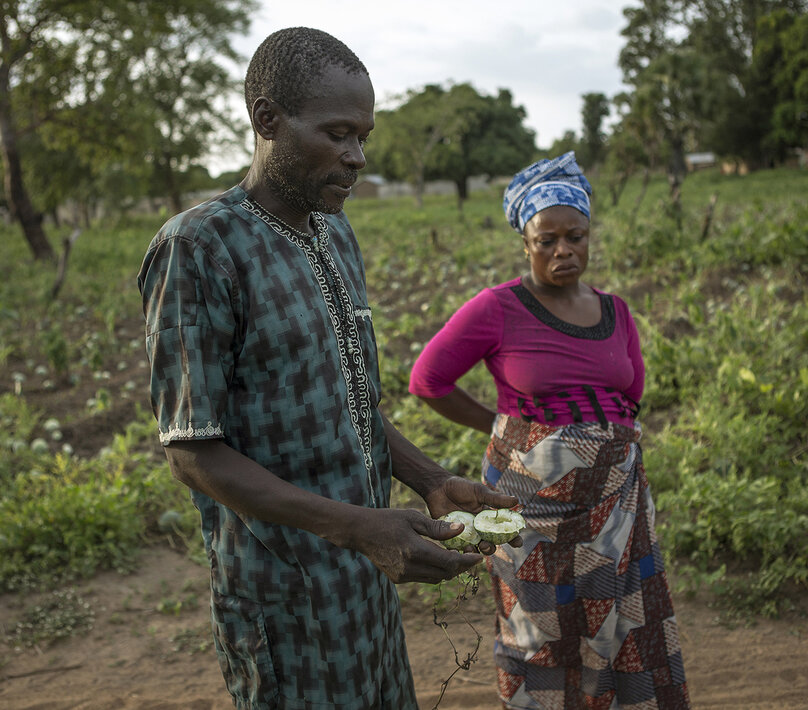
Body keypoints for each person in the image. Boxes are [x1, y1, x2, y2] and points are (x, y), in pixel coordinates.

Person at [137, 27, 518, 710]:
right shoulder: (199, 247)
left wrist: (430, 480)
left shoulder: (334, 231)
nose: (356, 157)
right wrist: (357, 526)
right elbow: (195, 454)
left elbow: (351, 399)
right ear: (266, 120)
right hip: (284, 594)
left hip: (367, 580)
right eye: (338, 133)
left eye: (363, 136)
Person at [409, 152, 691, 709]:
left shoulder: (617, 311)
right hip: (530, 510)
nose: (564, 250)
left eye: (576, 236)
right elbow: (427, 380)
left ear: (589, 237)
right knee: (539, 629)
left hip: (615, 509)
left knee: (622, 627)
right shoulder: (497, 309)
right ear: (526, 244)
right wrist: (504, 427)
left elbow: (629, 399)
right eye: (547, 240)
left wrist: (599, 456)